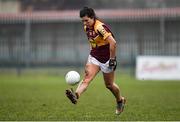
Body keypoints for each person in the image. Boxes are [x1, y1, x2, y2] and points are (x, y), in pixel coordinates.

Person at [65, 7, 126, 115]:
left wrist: (112, 59)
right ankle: (76, 95)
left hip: (107, 59)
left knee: (109, 85)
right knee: (87, 78)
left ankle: (120, 100)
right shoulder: (86, 27)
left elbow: (113, 43)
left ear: (92, 17)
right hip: (94, 57)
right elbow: (92, 41)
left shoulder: (99, 27)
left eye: (86, 20)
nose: (84, 23)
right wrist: (92, 52)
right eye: (82, 21)